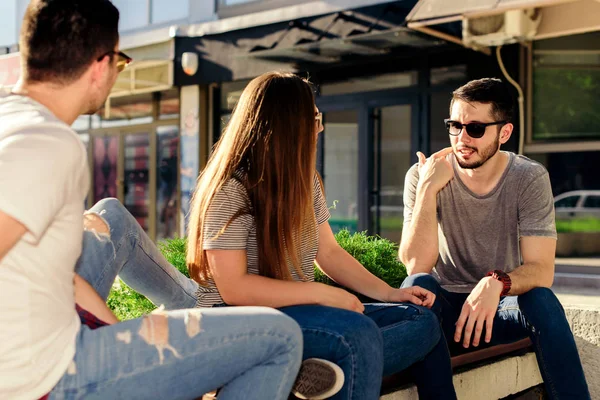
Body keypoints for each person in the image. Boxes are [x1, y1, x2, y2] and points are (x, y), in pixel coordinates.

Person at [0, 2, 305, 399]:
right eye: (120, 63)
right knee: (277, 336)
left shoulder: (13, 121)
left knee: (108, 216)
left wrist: (142, 354)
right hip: (51, 376)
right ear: (101, 64)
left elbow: (63, 277)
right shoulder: (46, 142)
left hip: (60, 352)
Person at [183, 71, 458, 400]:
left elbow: (328, 252)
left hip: (299, 314)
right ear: (287, 124)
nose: (320, 126)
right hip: (242, 324)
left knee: (421, 321)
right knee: (356, 336)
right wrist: (322, 295)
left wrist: (389, 294)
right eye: (314, 117)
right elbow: (234, 288)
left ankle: (305, 367)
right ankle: (294, 364)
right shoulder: (231, 190)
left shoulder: (304, 180)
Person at [399, 78, 591, 399]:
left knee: (541, 300)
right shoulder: (423, 174)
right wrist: (429, 189)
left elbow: (541, 270)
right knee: (419, 287)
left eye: (475, 129)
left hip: (496, 312)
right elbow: (417, 265)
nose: (462, 138)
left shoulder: (528, 177)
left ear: (504, 133)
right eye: (455, 126)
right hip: (444, 315)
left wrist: (495, 283)